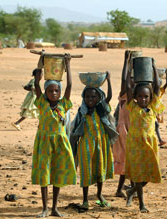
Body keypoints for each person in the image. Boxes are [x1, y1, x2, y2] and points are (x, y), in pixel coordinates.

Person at [32, 55, 76, 217]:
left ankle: (54, 208)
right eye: (50, 91)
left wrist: (68, 64)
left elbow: (70, 84)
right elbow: (36, 84)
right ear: (45, 93)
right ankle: (44, 208)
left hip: (60, 142)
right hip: (44, 142)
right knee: (44, 173)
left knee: (57, 173)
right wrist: (40, 67)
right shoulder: (42, 103)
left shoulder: (64, 104)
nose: (54, 93)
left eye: (56, 90)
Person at [70, 72, 118, 210]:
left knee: (100, 169)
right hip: (86, 145)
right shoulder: (82, 111)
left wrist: (108, 80)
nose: (90, 99)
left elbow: (109, 97)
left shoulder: (101, 109)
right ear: (83, 98)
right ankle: (85, 199)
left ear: (99, 97)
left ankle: (99, 195)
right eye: (87, 96)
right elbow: (75, 130)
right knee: (86, 171)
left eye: (93, 96)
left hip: (101, 144)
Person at [125, 58, 164, 213]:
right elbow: (128, 85)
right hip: (135, 145)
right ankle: (141, 204)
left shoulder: (153, 106)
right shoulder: (133, 107)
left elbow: (156, 86)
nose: (143, 99)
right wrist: (129, 66)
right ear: (135, 97)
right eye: (140, 96)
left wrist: (154, 66)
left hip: (150, 145)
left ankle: (131, 191)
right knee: (139, 175)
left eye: (146, 97)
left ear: (150, 98)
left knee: (149, 175)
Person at [113, 50, 134, 198]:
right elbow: (123, 80)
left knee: (129, 162)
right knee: (127, 161)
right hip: (123, 133)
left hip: (132, 132)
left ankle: (124, 189)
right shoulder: (123, 97)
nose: (130, 84)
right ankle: (129, 189)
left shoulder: (136, 100)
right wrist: (126, 62)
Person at [155, 69, 167, 146]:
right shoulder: (152, 91)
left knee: (156, 125)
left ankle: (159, 140)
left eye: (160, 83)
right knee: (156, 125)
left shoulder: (161, 90)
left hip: (158, 110)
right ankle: (160, 140)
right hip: (153, 110)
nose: (159, 84)